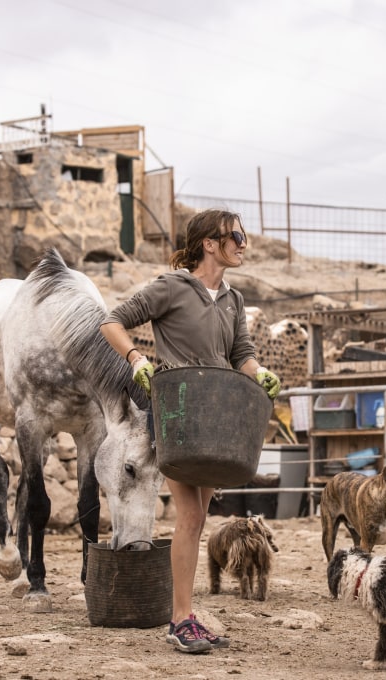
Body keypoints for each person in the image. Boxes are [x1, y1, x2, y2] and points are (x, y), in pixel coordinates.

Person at [101, 208, 281, 654]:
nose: (243, 243)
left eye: (243, 236)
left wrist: (259, 375)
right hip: (180, 415)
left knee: (198, 519)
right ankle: (180, 618)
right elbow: (111, 322)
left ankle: (186, 615)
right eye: (236, 236)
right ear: (209, 243)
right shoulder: (171, 288)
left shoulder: (234, 300)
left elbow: (242, 352)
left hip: (217, 418)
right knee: (189, 518)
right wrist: (137, 360)